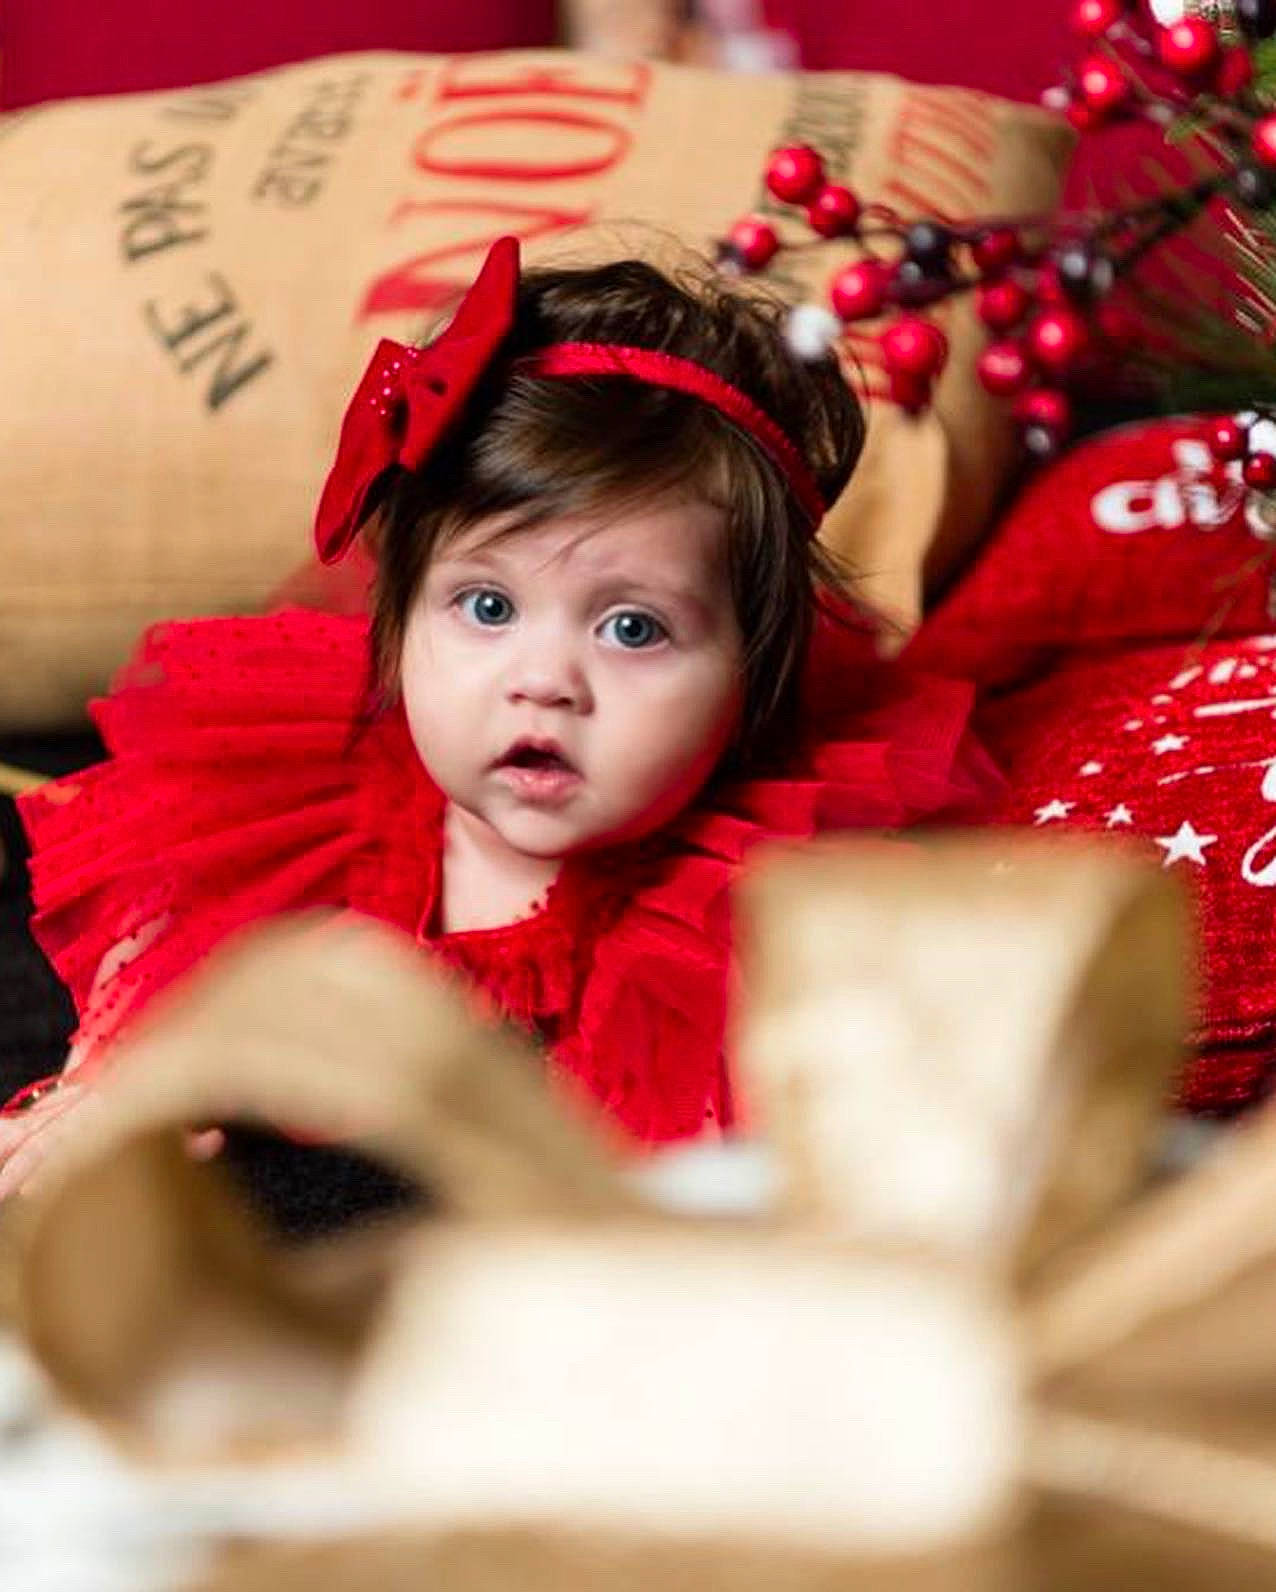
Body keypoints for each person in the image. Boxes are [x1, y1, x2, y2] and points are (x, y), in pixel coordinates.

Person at [3, 235, 998, 1188]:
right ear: (397, 618)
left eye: (632, 629)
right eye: (487, 607)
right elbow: (163, 980)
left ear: (754, 676)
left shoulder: (743, 930)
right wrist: (115, 1089)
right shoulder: (279, 820)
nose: (544, 679)